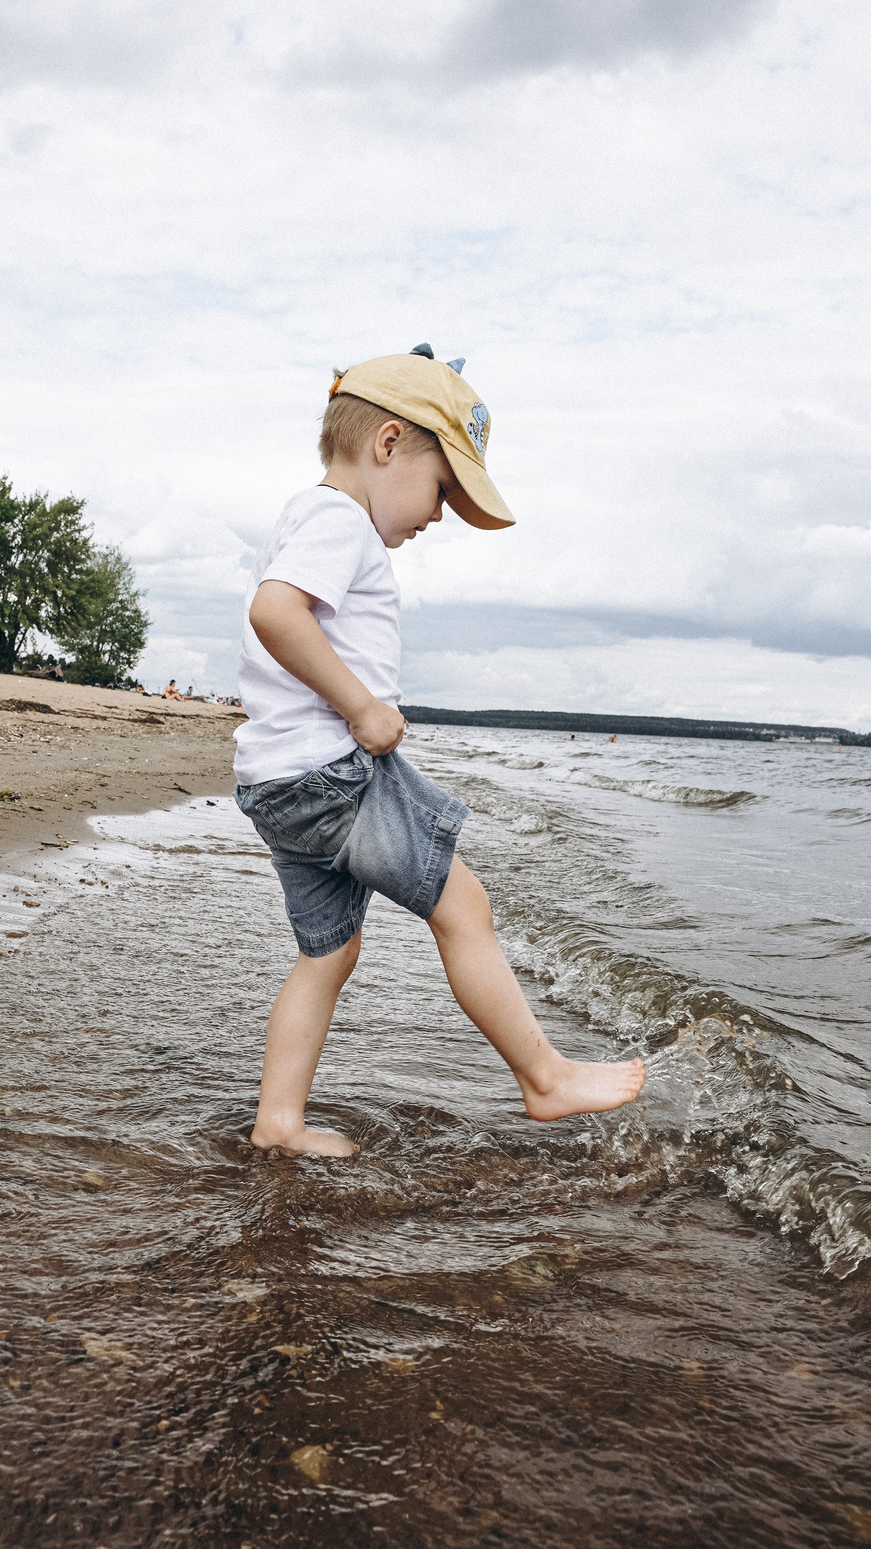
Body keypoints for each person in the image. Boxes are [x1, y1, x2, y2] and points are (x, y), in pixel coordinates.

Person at [232, 346, 645, 1157]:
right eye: (443, 487)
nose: (440, 513)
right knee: (465, 907)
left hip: (277, 785)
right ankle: (545, 1078)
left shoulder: (308, 517)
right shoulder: (337, 520)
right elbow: (276, 613)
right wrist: (361, 708)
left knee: (329, 953)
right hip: (330, 773)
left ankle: (278, 1123)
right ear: (388, 444)